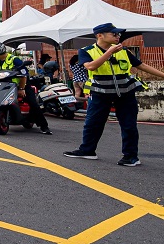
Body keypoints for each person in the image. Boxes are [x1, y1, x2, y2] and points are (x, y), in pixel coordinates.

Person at [64, 23, 164, 166]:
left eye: (118, 34)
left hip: (125, 92)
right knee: (93, 123)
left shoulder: (124, 51)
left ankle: (130, 156)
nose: (118, 37)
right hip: (99, 93)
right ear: (100, 36)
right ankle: (87, 150)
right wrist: (109, 53)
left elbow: (141, 65)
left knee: (129, 125)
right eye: (114, 34)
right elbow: (91, 66)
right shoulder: (86, 51)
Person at [0, 42, 52, 135]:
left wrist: (21, 89)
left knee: (33, 103)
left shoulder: (14, 60)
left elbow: (23, 75)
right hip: (2, 84)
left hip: (21, 84)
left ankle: (44, 126)